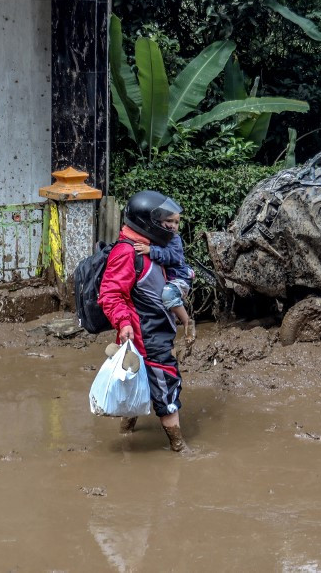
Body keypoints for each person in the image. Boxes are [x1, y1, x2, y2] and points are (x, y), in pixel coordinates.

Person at [98, 190, 189, 452]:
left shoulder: (150, 246)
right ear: (148, 223)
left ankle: (127, 433)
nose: (170, 227)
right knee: (166, 385)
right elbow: (111, 294)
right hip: (146, 336)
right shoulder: (127, 252)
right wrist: (124, 322)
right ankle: (180, 447)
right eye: (164, 222)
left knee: (134, 382)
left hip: (150, 332)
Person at [131, 207, 196, 344]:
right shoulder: (156, 236)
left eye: (176, 222)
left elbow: (170, 255)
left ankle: (187, 322)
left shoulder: (174, 239)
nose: (173, 225)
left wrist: (151, 250)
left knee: (167, 295)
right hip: (168, 280)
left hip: (179, 278)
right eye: (169, 221)